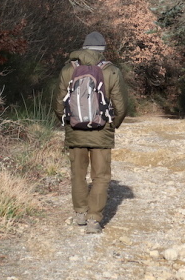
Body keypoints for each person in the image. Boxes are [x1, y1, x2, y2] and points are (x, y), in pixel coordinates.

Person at [54, 31, 133, 234]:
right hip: (102, 131)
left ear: (83, 48)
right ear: (102, 50)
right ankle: (94, 220)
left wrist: (67, 122)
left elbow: (58, 102)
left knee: (78, 174)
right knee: (101, 176)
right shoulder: (111, 71)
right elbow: (122, 105)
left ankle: (80, 213)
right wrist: (112, 124)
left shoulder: (68, 70)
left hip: (74, 130)